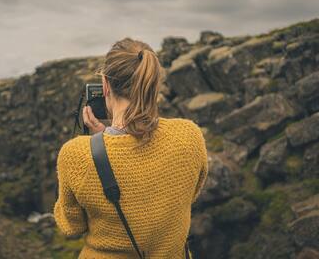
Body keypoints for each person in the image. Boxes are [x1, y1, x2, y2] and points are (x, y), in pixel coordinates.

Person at [53, 37, 209, 258]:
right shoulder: (189, 135)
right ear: (154, 84)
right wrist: (104, 141)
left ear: (105, 85)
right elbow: (180, 197)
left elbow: (71, 226)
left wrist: (99, 144)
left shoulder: (76, 155)